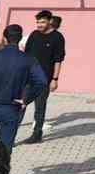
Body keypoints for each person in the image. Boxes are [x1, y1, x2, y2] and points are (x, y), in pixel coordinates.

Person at [20, 10, 66, 144]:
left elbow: (58, 60)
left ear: (50, 21)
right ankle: (11, 131)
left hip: (44, 79)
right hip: (28, 77)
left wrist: (55, 79)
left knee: (40, 107)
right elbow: (26, 55)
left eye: (42, 22)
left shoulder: (58, 37)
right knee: (21, 104)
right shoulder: (34, 35)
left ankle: (37, 134)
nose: (39, 25)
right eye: (37, 22)